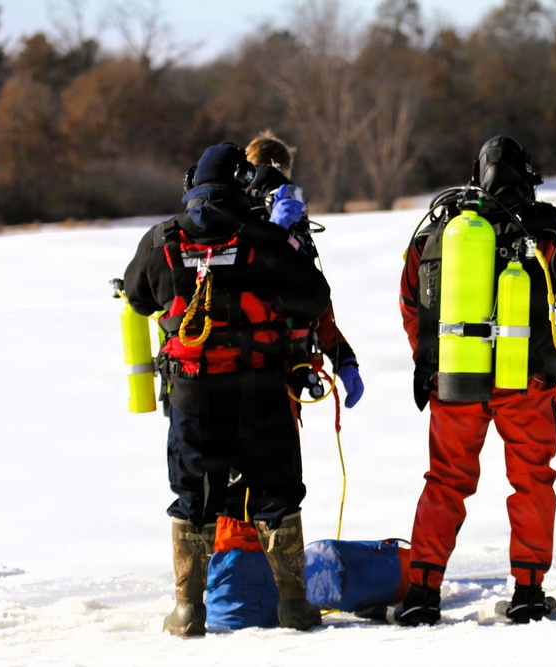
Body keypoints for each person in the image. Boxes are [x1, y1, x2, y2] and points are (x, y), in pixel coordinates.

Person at [123, 142, 331, 635]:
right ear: (241, 184)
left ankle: (188, 611)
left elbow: (136, 295)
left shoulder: (161, 240)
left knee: (192, 498)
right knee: (276, 496)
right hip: (259, 388)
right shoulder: (264, 237)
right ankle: (294, 605)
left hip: (192, 395)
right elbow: (314, 296)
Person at [395, 136, 556, 625]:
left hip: (456, 380)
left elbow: (412, 304)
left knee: (445, 482)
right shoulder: (545, 229)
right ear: (526, 176)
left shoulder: (439, 230)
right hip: (524, 381)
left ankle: (422, 592)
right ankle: (527, 592)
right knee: (531, 481)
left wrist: (434, 364)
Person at [243, 129, 364, 409]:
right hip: (269, 370)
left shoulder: (222, 220)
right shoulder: (274, 222)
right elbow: (312, 300)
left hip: (235, 372)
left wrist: (343, 357)